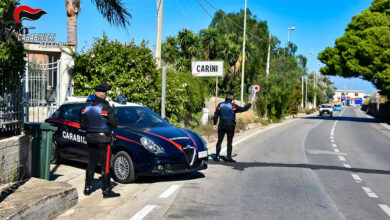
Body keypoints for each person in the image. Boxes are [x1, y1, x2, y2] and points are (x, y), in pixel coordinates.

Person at [80, 82, 120, 198]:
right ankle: (107, 191)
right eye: (105, 92)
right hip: (103, 139)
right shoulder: (106, 107)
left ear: (95, 93)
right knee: (105, 165)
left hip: (90, 138)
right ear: (104, 94)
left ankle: (87, 188)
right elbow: (114, 124)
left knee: (91, 163)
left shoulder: (86, 107)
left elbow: (82, 125)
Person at [213, 90, 254, 162]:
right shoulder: (233, 106)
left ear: (226, 96)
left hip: (222, 125)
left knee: (219, 140)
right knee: (229, 141)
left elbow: (216, 115)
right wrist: (250, 102)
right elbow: (243, 109)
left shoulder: (220, 105)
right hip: (230, 126)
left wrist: (215, 124)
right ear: (232, 97)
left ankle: (217, 156)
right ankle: (228, 157)